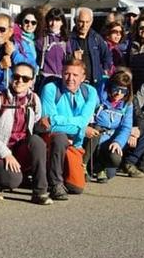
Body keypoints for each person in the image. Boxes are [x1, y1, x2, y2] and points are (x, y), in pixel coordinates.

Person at [0, 63, 51, 205]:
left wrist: (44, 126)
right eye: (16, 76)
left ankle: (40, 192)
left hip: (21, 149)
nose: (20, 81)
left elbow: (36, 122)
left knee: (37, 141)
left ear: (31, 82)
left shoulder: (34, 100)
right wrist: (5, 153)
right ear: (10, 77)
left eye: (25, 78)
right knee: (12, 180)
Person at [39, 57, 99, 200]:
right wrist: (80, 128)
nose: (70, 78)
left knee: (76, 187)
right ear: (61, 72)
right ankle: (55, 184)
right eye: (66, 73)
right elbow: (49, 125)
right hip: (53, 139)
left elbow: (83, 121)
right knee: (59, 137)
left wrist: (57, 119)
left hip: (75, 143)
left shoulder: (90, 92)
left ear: (83, 77)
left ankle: (63, 172)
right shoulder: (51, 89)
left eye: (75, 75)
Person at [85, 68, 144, 181]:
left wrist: (118, 142)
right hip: (95, 135)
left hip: (111, 139)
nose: (119, 94)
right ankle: (84, 165)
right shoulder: (97, 97)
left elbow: (126, 127)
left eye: (123, 91)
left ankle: (101, 166)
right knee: (95, 131)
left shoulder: (127, 104)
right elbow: (88, 115)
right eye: (116, 89)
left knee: (115, 160)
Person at [68, 7, 112, 95]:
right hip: (76, 84)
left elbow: (107, 55)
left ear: (91, 21)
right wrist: (72, 57)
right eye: (81, 22)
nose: (84, 26)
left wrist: (105, 70)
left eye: (87, 22)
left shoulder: (96, 38)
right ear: (75, 20)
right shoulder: (68, 39)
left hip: (95, 83)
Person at [35, 7, 69, 86]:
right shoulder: (42, 38)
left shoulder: (65, 40)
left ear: (62, 22)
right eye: (51, 20)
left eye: (57, 20)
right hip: (45, 78)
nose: (54, 23)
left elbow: (68, 59)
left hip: (61, 78)